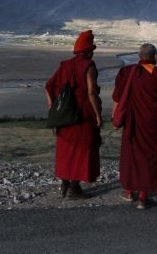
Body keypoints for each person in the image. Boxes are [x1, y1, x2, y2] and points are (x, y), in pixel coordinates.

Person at [111, 43, 157, 210]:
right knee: (150, 158)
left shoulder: (126, 72)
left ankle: (129, 191)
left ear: (139, 57)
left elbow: (118, 98)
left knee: (131, 157)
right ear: (156, 57)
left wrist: (115, 118)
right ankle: (143, 197)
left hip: (132, 123)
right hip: (152, 123)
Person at [45, 30, 103, 199]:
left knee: (66, 150)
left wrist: (54, 109)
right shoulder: (88, 66)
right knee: (83, 148)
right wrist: (98, 115)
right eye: (92, 50)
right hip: (83, 115)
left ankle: (64, 184)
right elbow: (91, 92)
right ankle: (74, 187)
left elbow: (49, 86)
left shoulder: (65, 65)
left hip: (64, 116)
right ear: (89, 51)